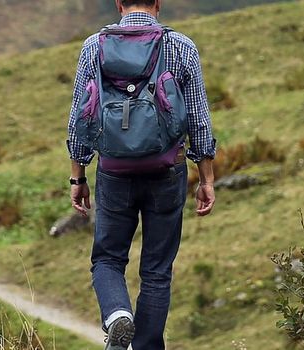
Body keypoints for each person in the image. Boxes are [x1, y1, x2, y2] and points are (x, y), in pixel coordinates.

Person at [65, 0, 217, 349]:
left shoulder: (94, 47)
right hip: (167, 169)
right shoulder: (180, 46)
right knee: (157, 271)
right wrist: (206, 178)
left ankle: (117, 314)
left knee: (107, 258)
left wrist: (78, 176)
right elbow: (198, 120)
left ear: (119, 3)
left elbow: (79, 119)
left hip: (114, 171)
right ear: (158, 3)